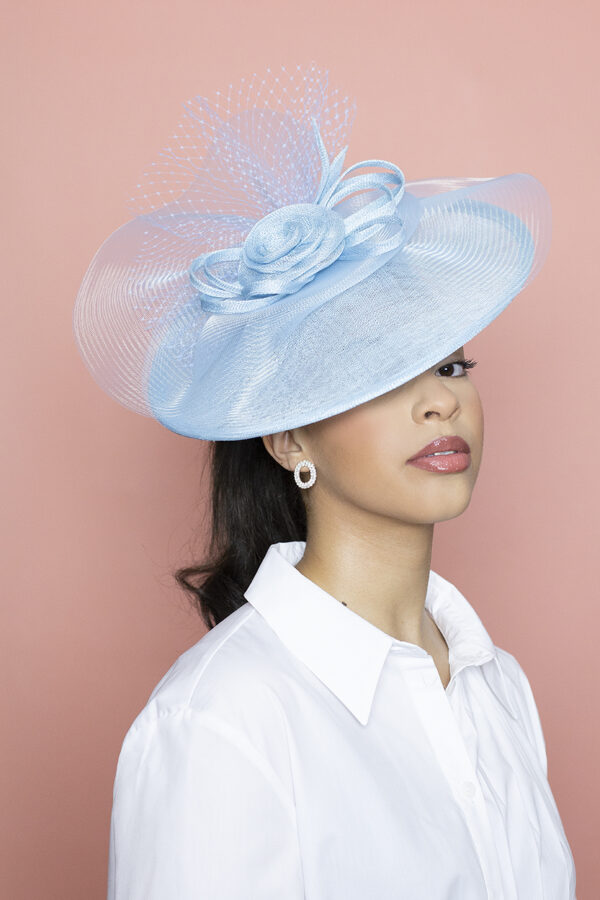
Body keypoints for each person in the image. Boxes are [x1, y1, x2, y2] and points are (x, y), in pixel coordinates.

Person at [73, 62, 577, 899]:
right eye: (378, 373)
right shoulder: (224, 722)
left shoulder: (497, 684)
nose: (439, 404)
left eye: (450, 363)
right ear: (287, 435)